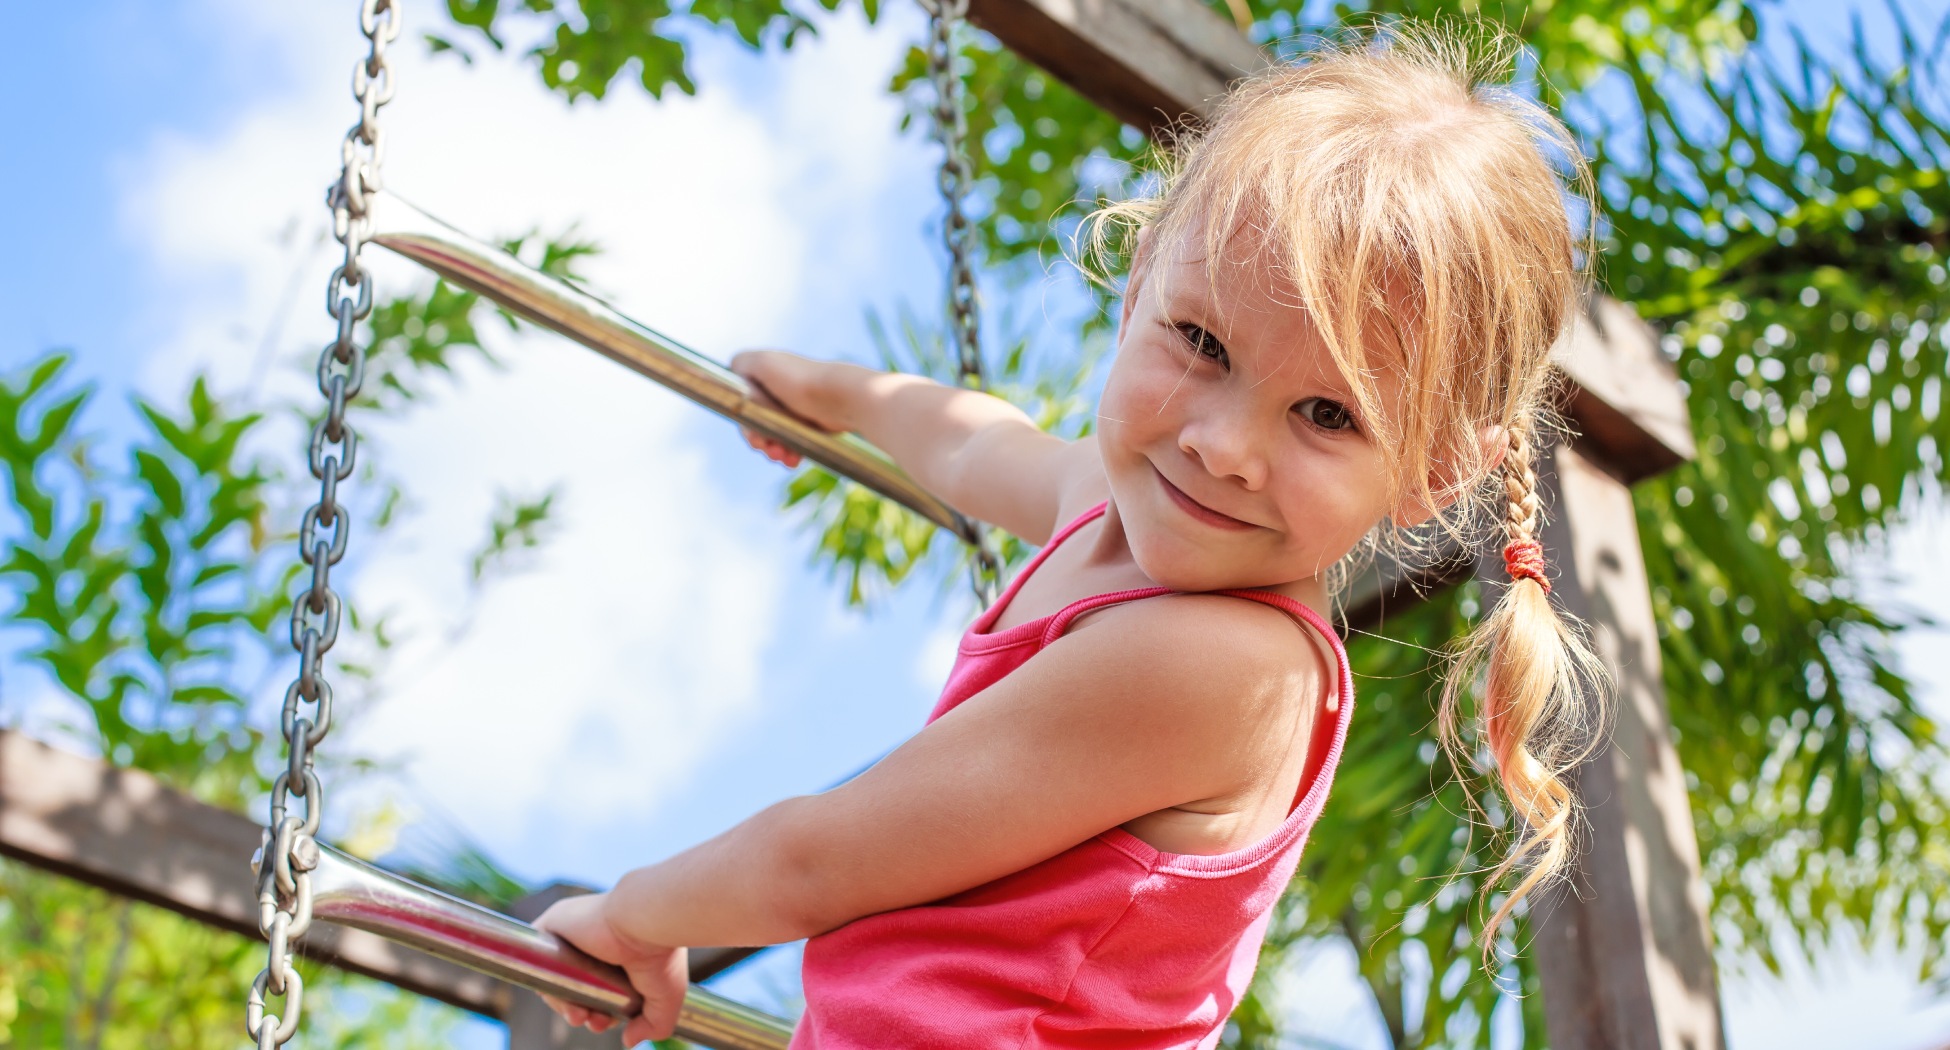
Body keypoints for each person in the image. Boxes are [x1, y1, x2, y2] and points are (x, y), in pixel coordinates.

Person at [535, 23, 1607, 1049]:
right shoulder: (1105, 501)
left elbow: (815, 862)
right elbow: (973, 444)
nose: (1223, 445)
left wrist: (633, 918)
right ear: (1137, 290)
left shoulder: (1226, 667)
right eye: (1202, 342)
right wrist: (839, 395)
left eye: (1328, 414)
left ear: (1433, 472)